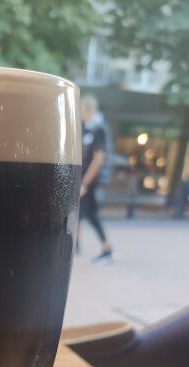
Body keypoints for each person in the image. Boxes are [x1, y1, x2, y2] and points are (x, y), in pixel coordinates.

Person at [79, 95, 114, 263]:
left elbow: (98, 159)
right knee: (79, 213)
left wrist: (84, 183)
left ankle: (107, 249)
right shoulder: (86, 128)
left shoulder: (99, 130)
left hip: (91, 182)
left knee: (92, 215)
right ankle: (76, 246)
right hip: (85, 181)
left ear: (88, 110)